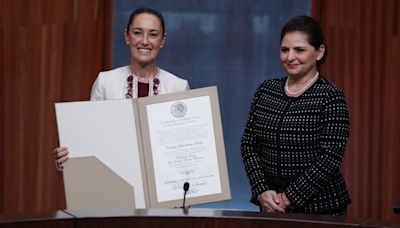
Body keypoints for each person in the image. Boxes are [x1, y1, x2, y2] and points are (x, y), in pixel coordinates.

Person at [53, 7, 189, 170]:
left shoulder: (179, 87)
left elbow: (185, 148)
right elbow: (90, 137)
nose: (145, 41)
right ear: (127, 36)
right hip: (115, 180)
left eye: (153, 34)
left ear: (162, 40)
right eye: (138, 32)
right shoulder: (105, 82)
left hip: (163, 183)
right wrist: (69, 158)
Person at [241, 15, 351, 216]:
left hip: (321, 210)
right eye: (285, 50)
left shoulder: (331, 96)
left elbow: (330, 157)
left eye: (299, 50)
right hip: (270, 206)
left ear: (319, 52)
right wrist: (262, 191)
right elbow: (249, 144)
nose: (290, 57)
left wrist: (289, 197)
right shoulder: (266, 90)